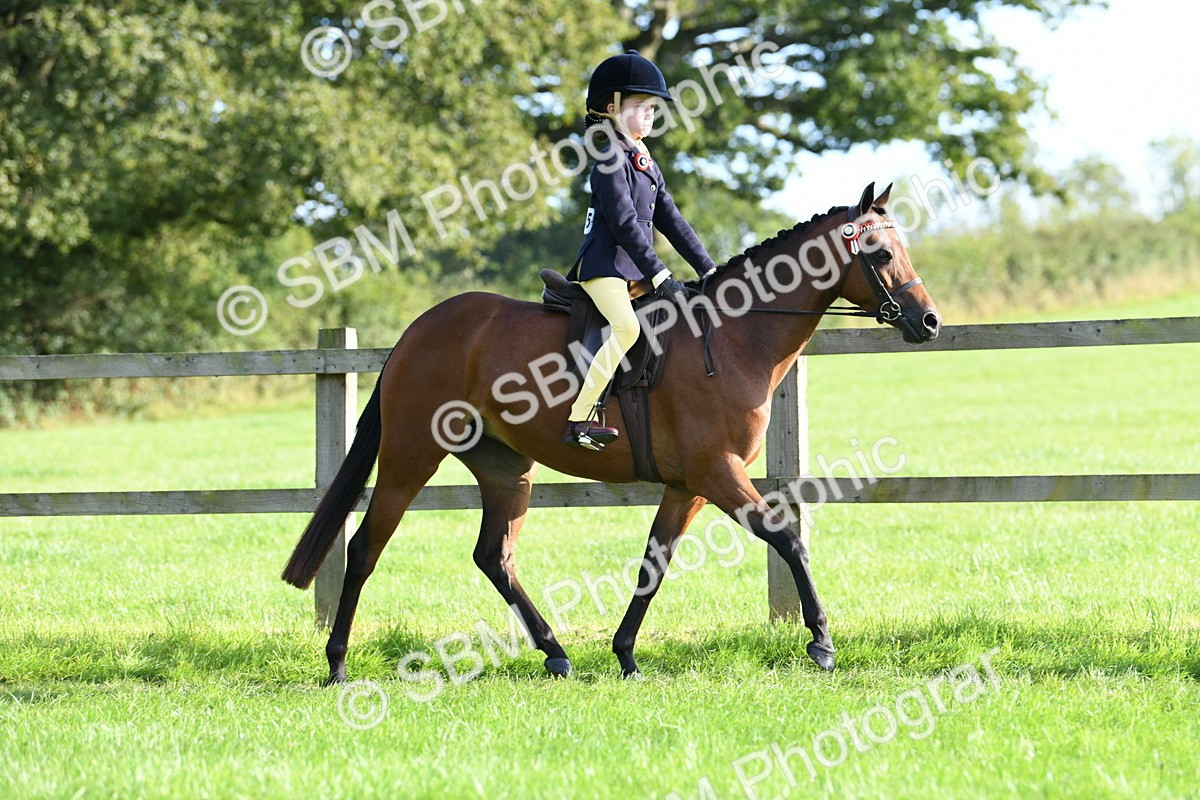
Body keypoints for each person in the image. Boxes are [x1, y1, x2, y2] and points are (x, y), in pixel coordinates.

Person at [563, 49, 717, 450]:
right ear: (612, 107)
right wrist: (660, 273)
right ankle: (579, 419)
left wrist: (709, 269)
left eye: (652, 108)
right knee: (627, 328)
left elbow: (672, 220)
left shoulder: (643, 158)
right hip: (605, 266)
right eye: (640, 106)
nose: (649, 115)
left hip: (635, 269)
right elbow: (624, 222)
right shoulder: (607, 152)